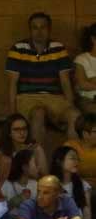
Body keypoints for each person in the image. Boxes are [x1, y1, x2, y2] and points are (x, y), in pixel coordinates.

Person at [8, 12, 78, 148]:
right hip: (27, 97)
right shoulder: (18, 48)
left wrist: (70, 104)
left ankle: (70, 159)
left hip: (54, 97)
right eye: (35, 28)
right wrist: (12, 115)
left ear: (49, 29)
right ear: (30, 30)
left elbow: (65, 81)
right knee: (38, 113)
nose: (39, 32)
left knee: (75, 115)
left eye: (43, 27)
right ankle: (37, 162)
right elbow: (12, 84)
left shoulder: (58, 48)